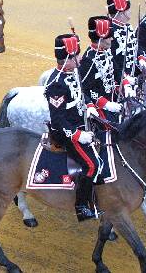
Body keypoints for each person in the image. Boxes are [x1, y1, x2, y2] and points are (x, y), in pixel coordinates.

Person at [44, 32, 101, 221]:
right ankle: (81, 205)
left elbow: (82, 94)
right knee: (93, 165)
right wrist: (78, 135)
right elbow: (59, 121)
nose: (81, 58)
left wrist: (91, 106)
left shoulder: (73, 72)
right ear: (68, 59)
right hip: (68, 133)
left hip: (83, 122)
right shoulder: (56, 84)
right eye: (76, 55)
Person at [106, 0, 137, 89]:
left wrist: (142, 57)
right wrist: (123, 78)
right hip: (117, 84)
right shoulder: (109, 31)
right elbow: (111, 60)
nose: (130, 11)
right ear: (121, 11)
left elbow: (135, 47)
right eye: (128, 9)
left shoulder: (127, 27)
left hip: (132, 77)